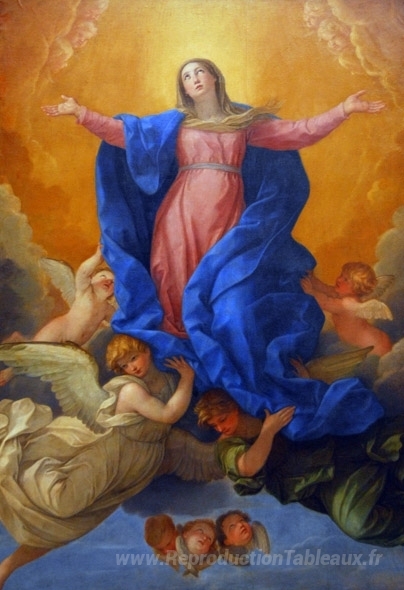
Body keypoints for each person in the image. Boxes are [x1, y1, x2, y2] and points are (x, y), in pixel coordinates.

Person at [41, 58, 386, 441]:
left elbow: (297, 133)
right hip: (180, 216)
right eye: (186, 76)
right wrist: (81, 114)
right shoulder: (174, 125)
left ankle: (222, 363)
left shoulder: (244, 124)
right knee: (174, 287)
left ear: (214, 77)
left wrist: (343, 110)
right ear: (184, 87)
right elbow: (122, 134)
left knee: (221, 288)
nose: (194, 79)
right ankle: (196, 384)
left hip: (226, 218)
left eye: (199, 72)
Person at [0, 335, 197, 588]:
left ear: (147, 350)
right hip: (110, 456)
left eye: (134, 358)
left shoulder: (169, 382)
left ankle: (7, 567)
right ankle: (30, 475)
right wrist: (188, 379)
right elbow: (168, 414)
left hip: (132, 471)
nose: (132, 367)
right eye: (124, 365)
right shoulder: (131, 390)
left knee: (69, 525)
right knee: (62, 505)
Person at [195, 388, 404, 548]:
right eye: (214, 425)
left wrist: (302, 385)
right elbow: (248, 467)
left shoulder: (260, 404)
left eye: (222, 419)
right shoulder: (226, 446)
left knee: (393, 448)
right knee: (359, 525)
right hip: (324, 482)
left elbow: (302, 398)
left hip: (340, 447)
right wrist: (268, 432)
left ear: (234, 406)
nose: (220, 428)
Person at [0, 244, 115, 386]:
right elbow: (84, 272)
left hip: (71, 346)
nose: (108, 281)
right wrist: (98, 257)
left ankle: (19, 340)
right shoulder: (85, 292)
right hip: (59, 329)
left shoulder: (107, 309)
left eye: (113, 282)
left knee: (44, 363)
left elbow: (119, 323)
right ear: (91, 281)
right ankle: (11, 370)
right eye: (103, 276)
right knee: (35, 351)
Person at [301, 262, 393, 356]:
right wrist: (312, 279)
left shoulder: (347, 305)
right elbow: (325, 288)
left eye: (346, 280)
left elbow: (324, 302)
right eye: (341, 275)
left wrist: (311, 292)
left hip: (372, 344)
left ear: (356, 287)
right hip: (368, 342)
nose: (339, 279)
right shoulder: (345, 295)